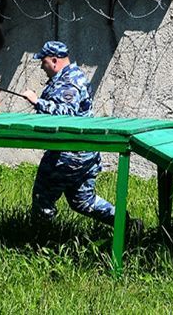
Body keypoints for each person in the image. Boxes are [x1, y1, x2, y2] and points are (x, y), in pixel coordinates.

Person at [20, 41, 118, 226]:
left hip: (68, 155)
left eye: (44, 61)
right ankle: (125, 223)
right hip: (86, 152)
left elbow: (67, 114)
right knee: (84, 202)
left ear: (54, 61)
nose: (42, 66)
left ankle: (40, 242)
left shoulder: (69, 82)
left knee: (43, 199)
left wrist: (37, 101)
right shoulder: (75, 76)